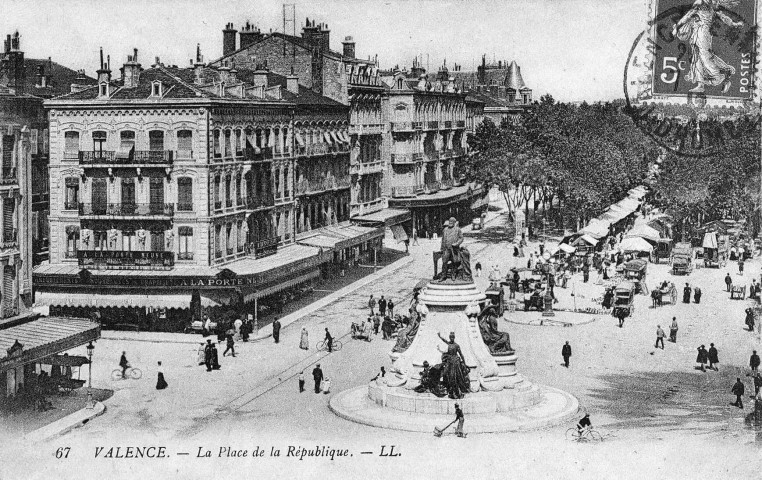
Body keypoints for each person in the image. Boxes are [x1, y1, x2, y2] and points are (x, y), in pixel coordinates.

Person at [437, 332, 470, 399]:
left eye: (452, 337)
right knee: (445, 373)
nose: (451, 338)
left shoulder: (456, 345)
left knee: (454, 376)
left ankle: (456, 392)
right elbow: (444, 340)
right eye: (450, 337)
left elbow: (461, 354)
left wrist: (465, 364)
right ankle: (448, 388)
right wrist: (440, 336)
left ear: (454, 338)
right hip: (449, 362)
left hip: (455, 362)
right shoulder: (449, 343)